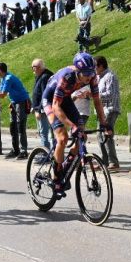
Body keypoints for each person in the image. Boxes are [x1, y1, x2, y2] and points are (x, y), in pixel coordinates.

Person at [42, 53, 111, 196]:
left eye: (91, 73)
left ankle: (66, 166)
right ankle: (56, 178)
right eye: (85, 74)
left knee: (82, 135)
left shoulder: (92, 78)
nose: (88, 77)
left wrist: (104, 123)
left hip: (65, 98)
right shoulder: (67, 77)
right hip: (50, 100)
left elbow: (97, 101)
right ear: (78, 71)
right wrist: (70, 126)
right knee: (62, 137)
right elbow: (55, 106)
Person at [0, 62, 31, 159]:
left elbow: (2, 95)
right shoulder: (4, 78)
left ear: (0, 70)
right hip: (14, 103)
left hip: (21, 102)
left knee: (20, 126)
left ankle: (24, 150)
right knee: (13, 126)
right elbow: (1, 93)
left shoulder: (8, 78)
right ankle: (16, 150)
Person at [96, 56, 122, 171]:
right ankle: (104, 161)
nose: (93, 69)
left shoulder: (109, 76)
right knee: (100, 135)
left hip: (110, 109)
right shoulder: (99, 77)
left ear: (101, 66)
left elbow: (111, 94)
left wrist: (97, 96)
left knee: (107, 135)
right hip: (101, 110)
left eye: (95, 66)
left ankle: (113, 162)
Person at [31, 59, 54, 150]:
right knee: (44, 132)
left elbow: (45, 95)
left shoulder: (45, 77)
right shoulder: (40, 75)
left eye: (33, 68)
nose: (32, 70)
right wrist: (34, 107)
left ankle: (47, 154)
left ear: (39, 68)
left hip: (44, 110)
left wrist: (38, 110)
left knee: (44, 132)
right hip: (42, 108)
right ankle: (51, 153)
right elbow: (37, 93)